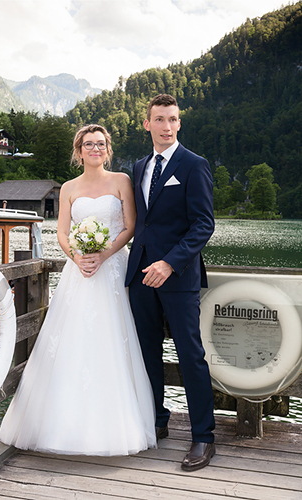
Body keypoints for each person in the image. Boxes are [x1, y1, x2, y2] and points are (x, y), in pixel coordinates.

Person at [0, 124, 156, 456]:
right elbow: (63, 233)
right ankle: (60, 426)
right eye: (89, 144)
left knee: (112, 339)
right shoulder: (68, 187)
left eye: (101, 144)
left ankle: (115, 427)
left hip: (112, 270)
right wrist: (77, 257)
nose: (95, 149)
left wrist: (103, 254)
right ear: (79, 150)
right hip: (78, 273)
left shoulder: (122, 181)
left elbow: (129, 227)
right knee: (70, 341)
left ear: (108, 149)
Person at [125, 94, 216, 471]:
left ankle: (203, 438)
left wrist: (170, 262)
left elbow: (203, 225)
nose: (166, 126)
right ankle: (156, 422)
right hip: (140, 274)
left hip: (178, 278)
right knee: (146, 353)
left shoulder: (194, 165)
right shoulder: (138, 166)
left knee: (190, 354)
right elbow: (137, 223)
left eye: (173, 120)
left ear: (179, 124)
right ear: (147, 124)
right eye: (159, 119)